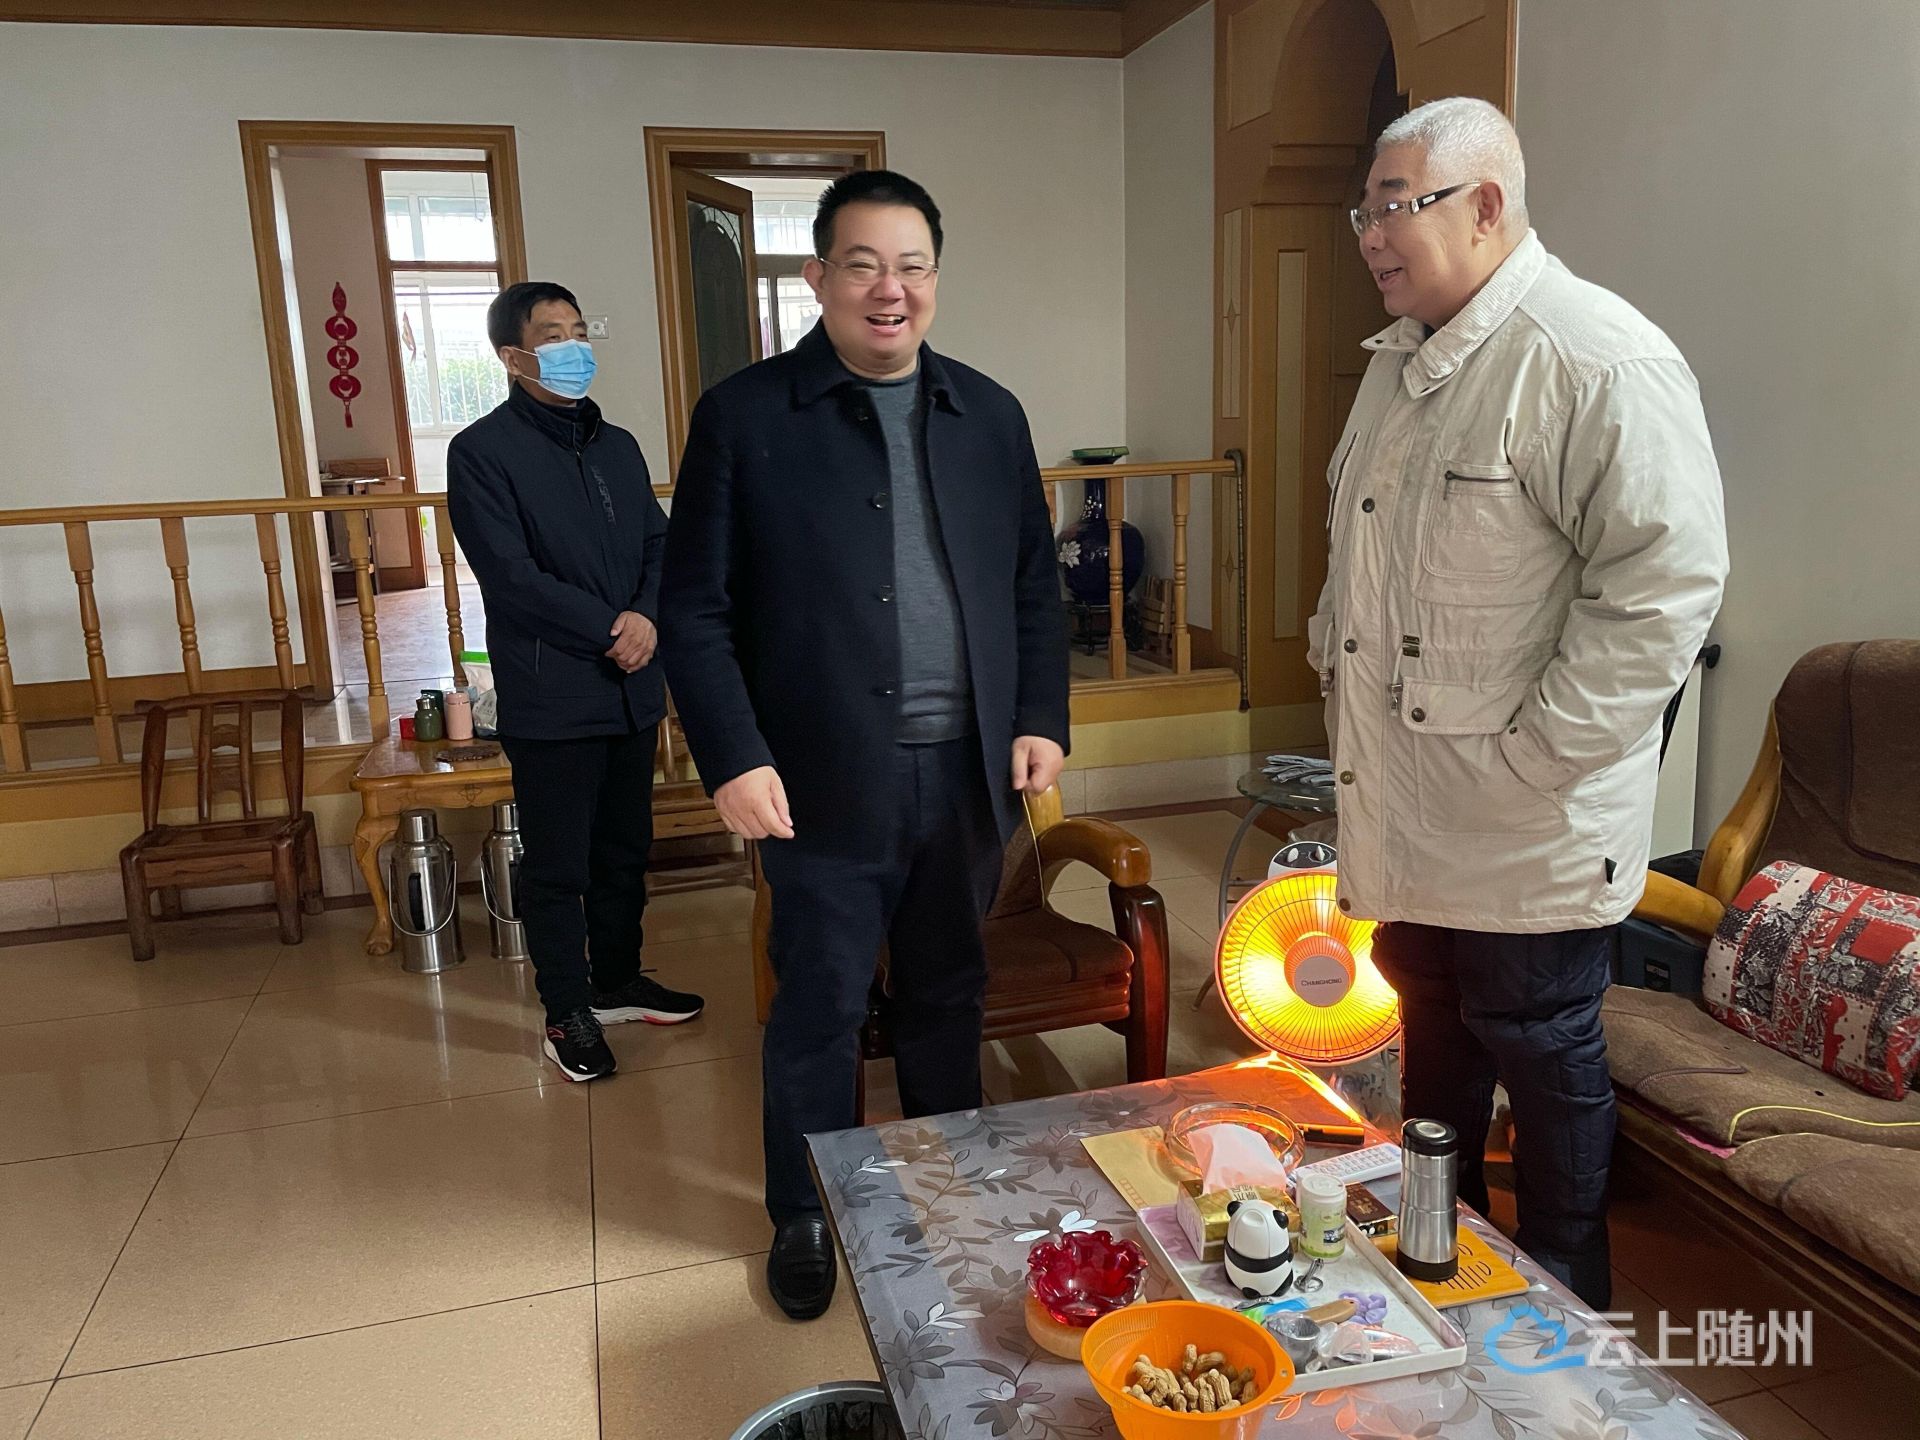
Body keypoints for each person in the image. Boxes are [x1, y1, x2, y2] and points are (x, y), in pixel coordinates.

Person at [1308, 98, 1728, 1308]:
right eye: (1362, 212)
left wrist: (1544, 755)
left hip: (1526, 812)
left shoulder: (1593, 356)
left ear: (1486, 205)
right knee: (1432, 1029)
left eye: (1396, 206)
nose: (1371, 235)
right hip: (1411, 799)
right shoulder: (1400, 364)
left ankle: (1567, 1307)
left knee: (1539, 1043)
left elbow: (1666, 584)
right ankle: (1441, 1264)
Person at [661, 171, 1068, 1320]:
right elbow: (693, 610)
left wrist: (1040, 716)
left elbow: (1032, 588)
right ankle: (804, 1207)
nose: (891, 290)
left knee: (948, 991)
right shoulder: (746, 416)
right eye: (863, 265)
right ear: (819, 278)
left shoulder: (989, 414)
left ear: (935, 279)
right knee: (821, 1004)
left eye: (912, 266)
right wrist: (733, 756)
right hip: (818, 779)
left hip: (966, 776)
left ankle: (943, 1186)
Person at [448, 281, 703, 1083]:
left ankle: (617, 980)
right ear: (513, 356)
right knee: (559, 865)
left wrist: (647, 616)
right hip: (554, 690)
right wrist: (611, 628)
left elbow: (660, 544)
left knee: (625, 850)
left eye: (579, 329)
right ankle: (566, 1012)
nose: (572, 346)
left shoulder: (617, 445)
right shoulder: (482, 452)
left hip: (632, 687)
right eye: (552, 334)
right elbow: (511, 576)